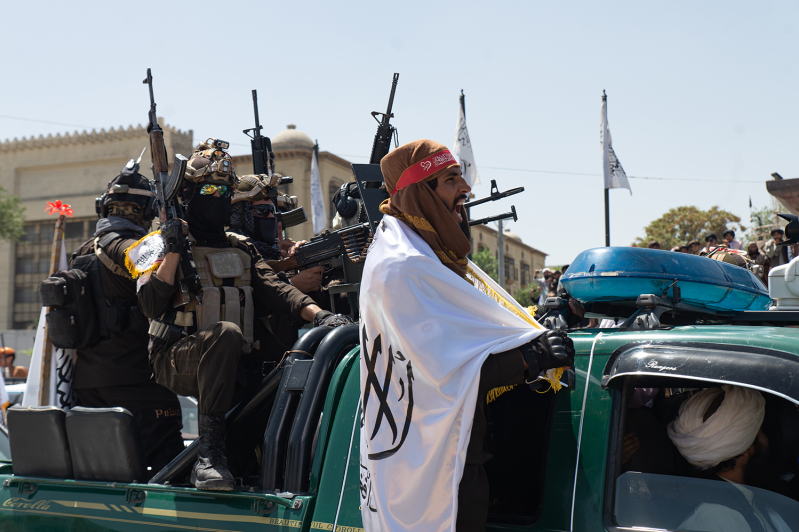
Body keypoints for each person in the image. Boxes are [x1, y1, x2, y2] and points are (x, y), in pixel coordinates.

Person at [358, 139, 574, 532]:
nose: (466, 189)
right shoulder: (404, 268)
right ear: (420, 193)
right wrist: (531, 359)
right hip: (434, 468)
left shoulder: (423, 259)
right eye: (451, 179)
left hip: (451, 453)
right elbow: (436, 373)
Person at [135, 142, 351, 491]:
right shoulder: (158, 243)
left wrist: (321, 316)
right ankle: (208, 457)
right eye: (207, 189)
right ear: (188, 193)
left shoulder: (239, 246)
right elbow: (149, 304)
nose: (216, 197)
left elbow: (278, 289)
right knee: (226, 333)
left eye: (223, 191)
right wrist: (174, 250)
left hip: (233, 364)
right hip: (175, 358)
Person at [69, 159, 184, 477]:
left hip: (88, 387)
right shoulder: (130, 247)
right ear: (147, 211)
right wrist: (170, 241)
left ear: (102, 207)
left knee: (105, 475)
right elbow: (148, 275)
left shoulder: (81, 252)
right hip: (139, 385)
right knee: (167, 476)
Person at [228, 173, 325, 373]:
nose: (273, 219)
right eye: (264, 211)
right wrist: (293, 284)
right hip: (249, 372)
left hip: (283, 367)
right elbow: (241, 306)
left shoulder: (275, 255)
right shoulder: (231, 252)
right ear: (240, 215)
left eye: (273, 211)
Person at [668, 385, 791, 532]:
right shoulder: (717, 518)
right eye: (760, 431)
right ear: (746, 450)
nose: (766, 440)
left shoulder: (742, 497)